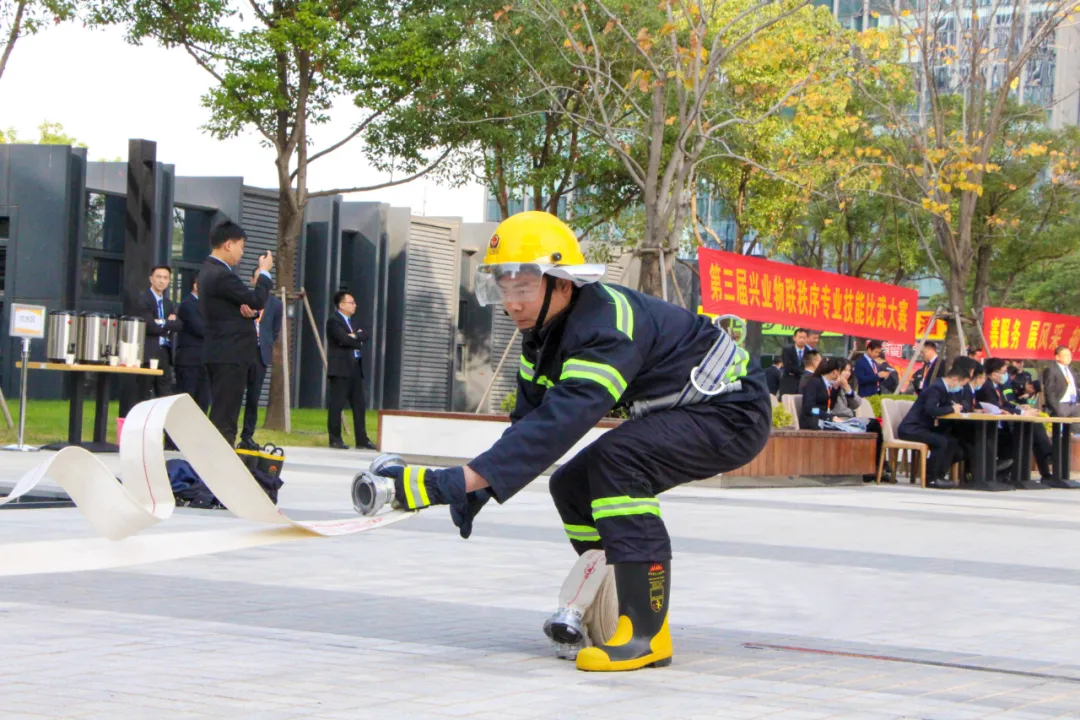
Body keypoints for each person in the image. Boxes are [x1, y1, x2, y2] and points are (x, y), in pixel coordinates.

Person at [363, 211, 771, 672]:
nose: (511, 303)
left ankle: (645, 633)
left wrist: (447, 483)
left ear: (563, 284)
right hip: (688, 411)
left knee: (620, 464)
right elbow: (529, 423)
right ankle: (617, 607)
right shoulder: (542, 335)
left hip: (731, 412)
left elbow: (561, 423)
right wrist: (479, 485)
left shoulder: (604, 328)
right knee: (572, 486)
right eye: (503, 288)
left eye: (524, 288)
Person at [200, 222, 274, 447]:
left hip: (222, 351)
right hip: (230, 354)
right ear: (228, 244)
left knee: (224, 410)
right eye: (241, 247)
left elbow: (238, 308)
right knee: (225, 415)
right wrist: (264, 273)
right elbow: (258, 300)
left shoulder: (210, 271)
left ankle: (218, 458)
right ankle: (219, 464)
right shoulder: (221, 274)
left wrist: (248, 314)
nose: (242, 252)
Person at [979, 357, 1053, 483]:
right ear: (993, 374)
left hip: (1004, 425)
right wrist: (1022, 412)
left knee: (1034, 427)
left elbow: (1007, 404)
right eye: (1003, 372)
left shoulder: (998, 386)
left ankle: (1047, 467)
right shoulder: (987, 388)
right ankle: (1048, 456)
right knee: (1032, 431)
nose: (1005, 375)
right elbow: (998, 407)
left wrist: (1021, 408)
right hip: (994, 428)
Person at [122, 265, 183, 417]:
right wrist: (167, 324)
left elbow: (179, 325)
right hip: (148, 353)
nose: (162, 281)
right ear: (151, 279)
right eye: (158, 277)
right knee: (144, 394)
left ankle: (162, 429)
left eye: (165, 278)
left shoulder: (168, 303)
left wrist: (161, 323)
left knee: (165, 395)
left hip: (165, 353)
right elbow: (149, 326)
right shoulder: (143, 300)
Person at [896, 366, 969, 489]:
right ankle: (930, 478)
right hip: (912, 429)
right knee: (940, 441)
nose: (961, 388)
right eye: (962, 385)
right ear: (955, 379)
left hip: (924, 428)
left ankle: (939, 476)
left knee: (952, 442)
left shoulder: (945, 390)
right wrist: (951, 409)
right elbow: (931, 409)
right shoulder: (935, 388)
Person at [326, 291, 377, 450]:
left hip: (355, 367)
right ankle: (335, 438)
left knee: (359, 405)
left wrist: (354, 337)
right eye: (351, 302)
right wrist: (355, 339)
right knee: (337, 404)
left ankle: (362, 439)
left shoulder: (353, 322)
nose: (354, 305)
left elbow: (365, 334)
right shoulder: (334, 321)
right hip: (341, 368)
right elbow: (343, 339)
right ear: (341, 305)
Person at [239, 269, 283, 450]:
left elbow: (274, 330)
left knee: (254, 398)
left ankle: (247, 436)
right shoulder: (243, 299)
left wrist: (265, 343)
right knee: (234, 396)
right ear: (252, 280)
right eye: (258, 279)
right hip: (242, 353)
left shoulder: (275, 304)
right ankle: (228, 432)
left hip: (260, 354)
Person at [175, 274, 210, 413]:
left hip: (204, 361)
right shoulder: (187, 305)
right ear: (196, 286)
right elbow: (200, 328)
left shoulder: (208, 306)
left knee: (203, 403)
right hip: (189, 362)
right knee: (186, 402)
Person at [1041, 346, 1080, 419]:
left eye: (1070, 355)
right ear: (1057, 357)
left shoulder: (1072, 369)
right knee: (1060, 429)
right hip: (1061, 405)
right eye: (1066, 355)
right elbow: (1049, 391)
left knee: (1076, 429)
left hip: (1074, 405)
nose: (1069, 357)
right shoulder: (1051, 370)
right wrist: (1056, 407)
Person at [779, 328, 809, 397]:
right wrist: (804, 373)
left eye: (804, 338)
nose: (802, 340)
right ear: (794, 338)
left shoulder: (810, 352)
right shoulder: (787, 350)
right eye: (800, 337)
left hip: (804, 384)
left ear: (807, 339)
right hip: (789, 384)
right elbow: (788, 366)